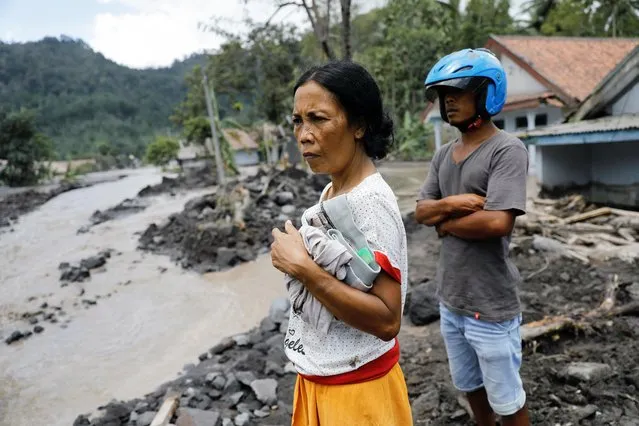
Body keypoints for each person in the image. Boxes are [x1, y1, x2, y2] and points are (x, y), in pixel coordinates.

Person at [270, 60, 413, 426]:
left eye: (318, 118)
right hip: (324, 379)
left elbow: (386, 320)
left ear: (359, 125)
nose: (303, 134)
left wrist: (302, 267)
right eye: (298, 121)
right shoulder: (334, 191)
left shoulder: (368, 203)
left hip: (357, 392)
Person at [415, 48, 530, 426]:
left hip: (490, 304)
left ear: (487, 94)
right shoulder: (442, 155)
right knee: (469, 386)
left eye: (458, 91)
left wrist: (444, 223)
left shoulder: (506, 150)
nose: (448, 100)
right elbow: (420, 211)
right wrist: (453, 204)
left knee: (507, 399)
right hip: (451, 300)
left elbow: (498, 224)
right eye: (443, 94)